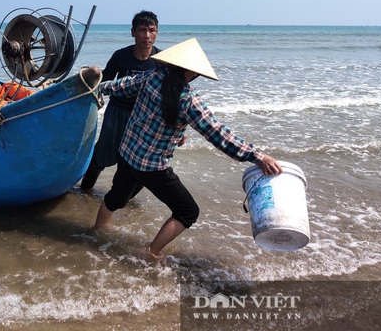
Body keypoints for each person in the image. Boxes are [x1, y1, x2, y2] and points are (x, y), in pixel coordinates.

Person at [93, 38, 282, 261]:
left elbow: (120, 86)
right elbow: (219, 134)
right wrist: (256, 156)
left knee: (115, 197)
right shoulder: (189, 101)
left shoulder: (152, 77)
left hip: (127, 153)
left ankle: (95, 233)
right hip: (151, 167)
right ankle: (152, 252)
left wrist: (95, 86)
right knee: (188, 212)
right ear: (193, 73)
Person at [79, 10, 161, 191]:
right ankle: (84, 192)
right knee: (101, 155)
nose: (146, 35)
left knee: (142, 162)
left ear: (156, 32)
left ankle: (122, 200)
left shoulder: (162, 61)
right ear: (133, 32)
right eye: (141, 30)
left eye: (151, 30)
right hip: (117, 112)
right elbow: (103, 83)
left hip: (144, 118)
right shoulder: (120, 56)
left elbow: (171, 92)